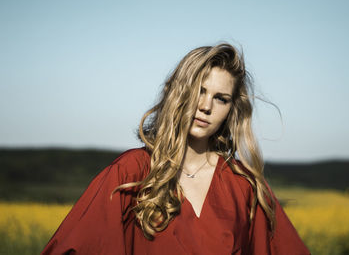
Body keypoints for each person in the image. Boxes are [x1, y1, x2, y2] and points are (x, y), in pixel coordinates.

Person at [41, 43, 310, 254]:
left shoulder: (244, 186)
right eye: (199, 91)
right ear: (178, 92)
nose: (206, 106)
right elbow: (79, 246)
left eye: (221, 98)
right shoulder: (131, 172)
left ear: (231, 110)